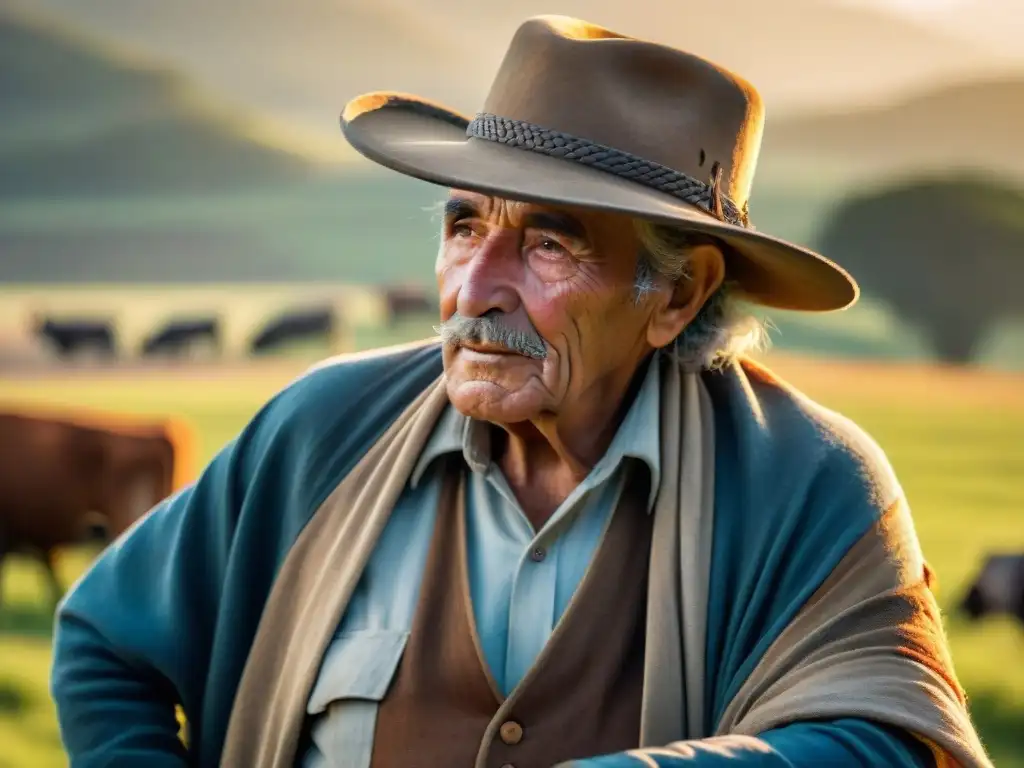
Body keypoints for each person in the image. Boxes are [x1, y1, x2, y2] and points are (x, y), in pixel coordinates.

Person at [50, 15, 992, 768]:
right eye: (466, 226)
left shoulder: (808, 483)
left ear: (676, 293)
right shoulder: (321, 431)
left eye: (550, 242)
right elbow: (104, 645)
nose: (475, 287)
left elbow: (889, 740)